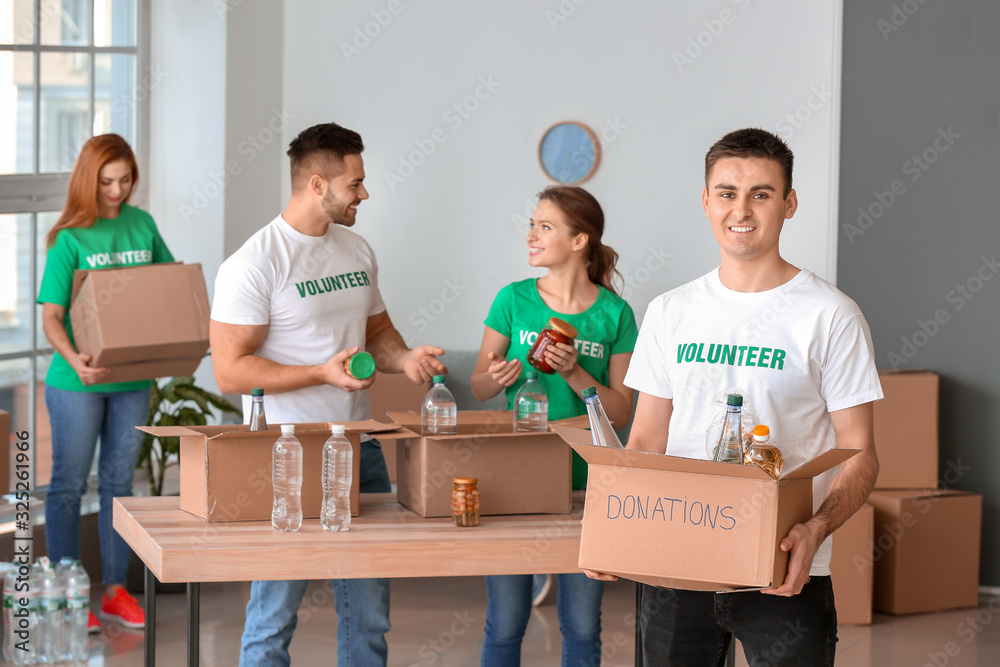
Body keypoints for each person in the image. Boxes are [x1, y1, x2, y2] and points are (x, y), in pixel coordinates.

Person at [594, 128, 882, 665]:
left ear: (789, 203)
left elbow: (860, 451)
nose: (741, 209)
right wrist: (617, 531)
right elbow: (648, 438)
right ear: (706, 201)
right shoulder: (670, 311)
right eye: (726, 192)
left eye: (762, 193)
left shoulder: (830, 315)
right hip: (675, 562)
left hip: (784, 567)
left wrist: (816, 529)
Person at [210, 122, 447, 667]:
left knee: (369, 615)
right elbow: (230, 372)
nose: (365, 193)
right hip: (284, 451)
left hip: (357, 445)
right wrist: (320, 372)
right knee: (274, 613)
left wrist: (405, 358)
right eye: (356, 183)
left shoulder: (356, 250)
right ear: (318, 184)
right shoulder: (254, 263)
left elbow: (380, 337)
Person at [470, 185, 637, 666]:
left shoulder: (615, 314)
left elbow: (622, 411)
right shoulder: (512, 299)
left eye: (545, 226)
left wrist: (573, 371)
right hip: (513, 477)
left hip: (586, 482)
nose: (531, 235)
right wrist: (496, 374)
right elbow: (480, 387)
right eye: (532, 224)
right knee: (504, 624)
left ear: (580, 240)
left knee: (582, 628)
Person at [38, 133, 172, 632]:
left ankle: (116, 591)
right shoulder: (69, 238)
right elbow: (52, 318)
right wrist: (76, 359)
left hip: (131, 379)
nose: (117, 191)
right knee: (69, 486)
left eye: (125, 180)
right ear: (87, 181)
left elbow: (166, 291)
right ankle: (71, 594)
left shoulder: (143, 226)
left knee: (120, 485)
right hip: (76, 381)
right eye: (106, 181)